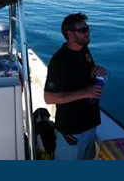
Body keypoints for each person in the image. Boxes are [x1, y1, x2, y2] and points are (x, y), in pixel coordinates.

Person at [44, 13, 108, 160]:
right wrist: (85, 92)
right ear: (70, 34)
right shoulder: (59, 61)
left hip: (91, 124)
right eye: (83, 30)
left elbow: (85, 73)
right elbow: (49, 97)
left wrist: (97, 71)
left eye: (88, 28)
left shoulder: (84, 49)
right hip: (72, 131)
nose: (88, 32)